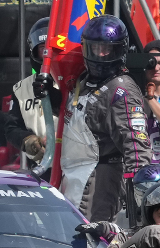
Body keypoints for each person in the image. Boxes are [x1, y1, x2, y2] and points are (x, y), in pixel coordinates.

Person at [60, 15, 152, 222]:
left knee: (92, 240)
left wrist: (139, 193)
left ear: (119, 50)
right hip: (73, 174)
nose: (100, 55)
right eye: (95, 48)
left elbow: (137, 147)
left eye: (107, 49)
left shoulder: (121, 89)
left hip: (100, 177)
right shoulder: (81, 82)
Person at [6, 17, 57, 165]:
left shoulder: (75, 82)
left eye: (51, 48)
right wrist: (30, 141)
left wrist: (60, 138)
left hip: (73, 167)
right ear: (34, 51)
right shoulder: (21, 89)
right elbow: (11, 128)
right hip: (40, 165)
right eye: (43, 49)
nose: (47, 54)